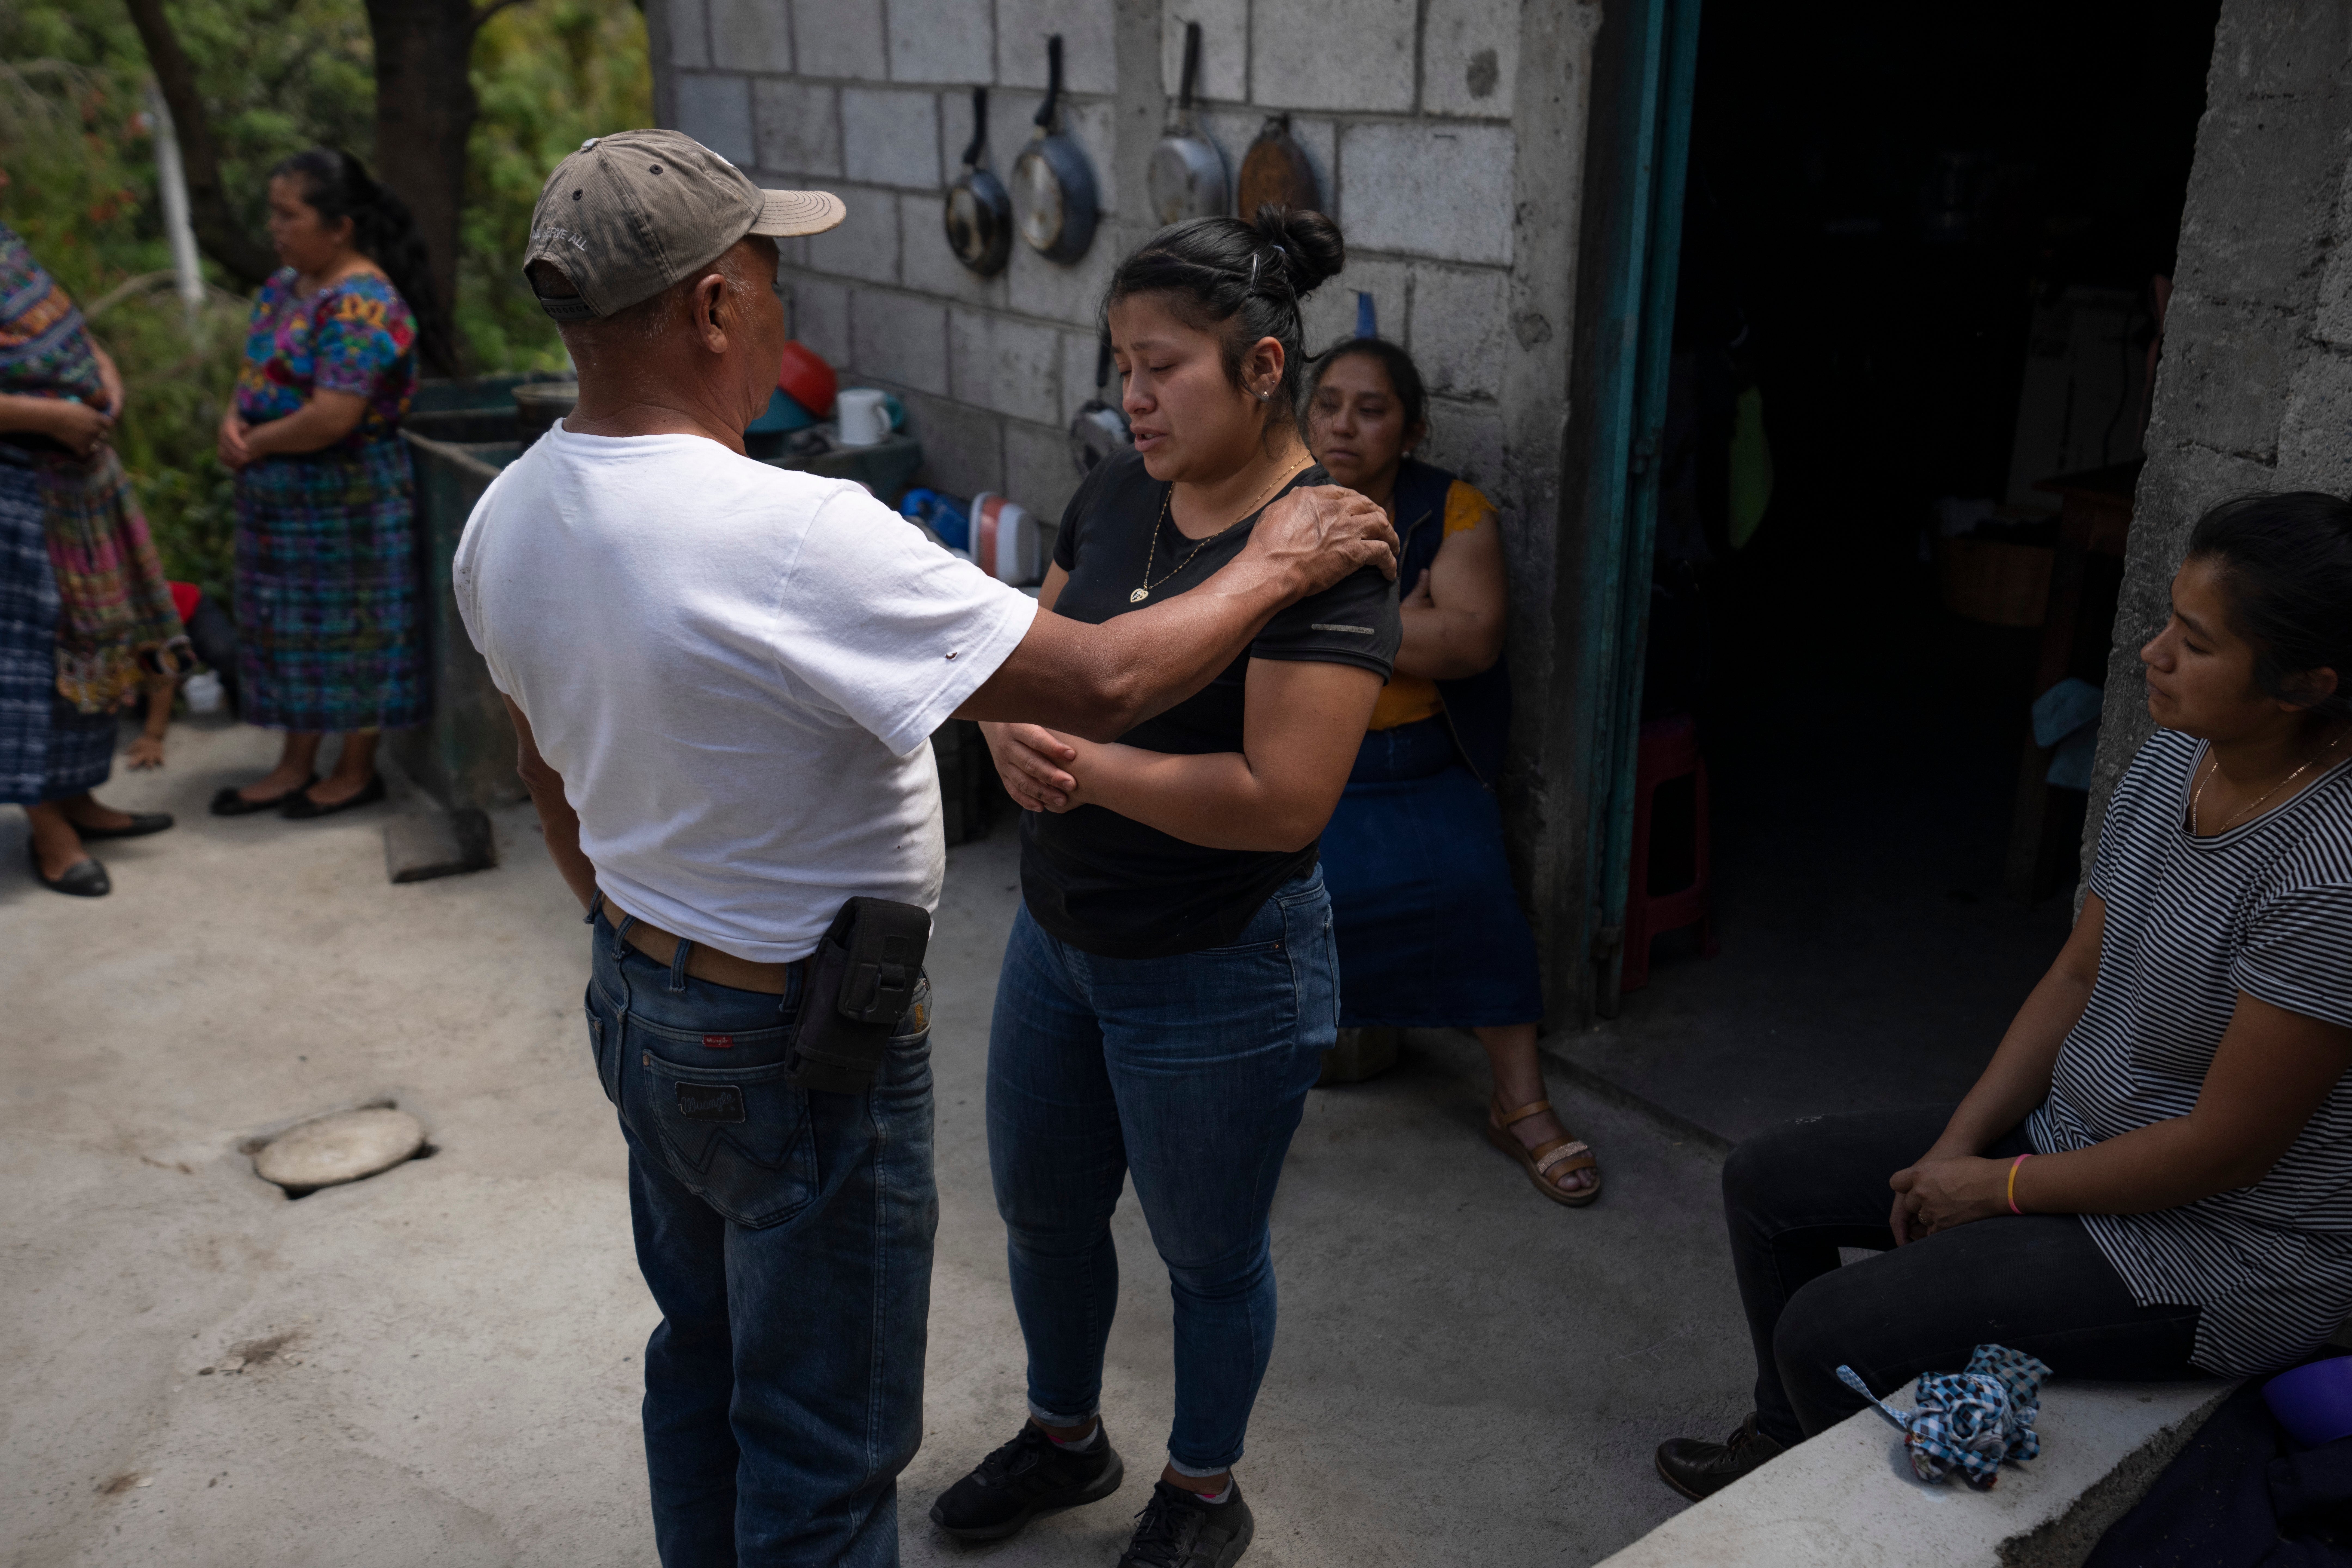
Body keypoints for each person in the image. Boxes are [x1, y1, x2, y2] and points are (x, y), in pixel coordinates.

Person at [457, 133, 1396, 1568]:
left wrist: (656, 939)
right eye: (772, 278)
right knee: (824, 1445)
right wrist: (1276, 565)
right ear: (716, 305)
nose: (788, 314)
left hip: (644, 1004)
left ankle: (1181, 1474)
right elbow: (1087, 678)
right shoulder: (789, 530)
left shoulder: (506, 515)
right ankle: (1050, 1441)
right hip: (795, 1029)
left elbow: (548, 784)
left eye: (1163, 366)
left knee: (705, 1356)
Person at [1655, 490, 2352, 1501]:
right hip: (2079, 1138)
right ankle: (1783, 1446)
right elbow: (2078, 973)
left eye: (2195, 645)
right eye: (2165, 621)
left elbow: (2222, 1150)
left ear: (2305, 684)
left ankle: (1855, 1524)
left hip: (2218, 1246)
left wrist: (1998, 1190)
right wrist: (1958, 1149)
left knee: (1830, 1332)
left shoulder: (2329, 874)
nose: (2153, 655)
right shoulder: (2174, 759)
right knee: (1769, 1184)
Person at [932, 209, 1400, 1568]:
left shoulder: (1331, 547)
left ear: (1261, 370)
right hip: (1059, 936)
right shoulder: (1118, 487)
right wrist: (1011, 719)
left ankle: (1206, 1488)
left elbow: (1282, 800)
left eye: (1161, 366)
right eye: (1120, 365)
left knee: (1207, 1253)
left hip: (1218, 961)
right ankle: (1066, 1432)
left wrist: (1075, 757)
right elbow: (1055, 651)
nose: (1131, 396)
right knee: (1045, 1211)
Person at [1305, 339, 1598, 1206]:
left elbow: (1471, 642)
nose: (1344, 425)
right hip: (1313, 761)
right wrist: (1404, 622)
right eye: (1328, 404)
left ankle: (1520, 1103)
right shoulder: (1274, 503)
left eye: (1372, 408)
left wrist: (1327, 620)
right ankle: (1247, 1104)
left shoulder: (1453, 509)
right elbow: (1242, 631)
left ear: (1412, 428)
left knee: (1480, 900)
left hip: (1427, 766)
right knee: (1290, 918)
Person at [213, 148, 444, 820]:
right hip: (279, 505)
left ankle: (353, 771)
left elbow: (334, 415)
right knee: (288, 637)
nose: (276, 228)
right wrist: (235, 418)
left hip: (349, 504)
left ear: (339, 226)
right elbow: (256, 371)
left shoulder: (364, 305)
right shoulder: (285, 287)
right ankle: (293, 765)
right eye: (273, 214)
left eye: (290, 216)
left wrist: (252, 442)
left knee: (356, 635)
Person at [0, 209, 184, 896]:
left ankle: (79, 797)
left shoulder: (7, 244)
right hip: (18, 491)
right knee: (23, 667)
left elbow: (69, 335)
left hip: (78, 481)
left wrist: (103, 380)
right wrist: (51, 418)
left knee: (95, 643)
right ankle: (48, 831)